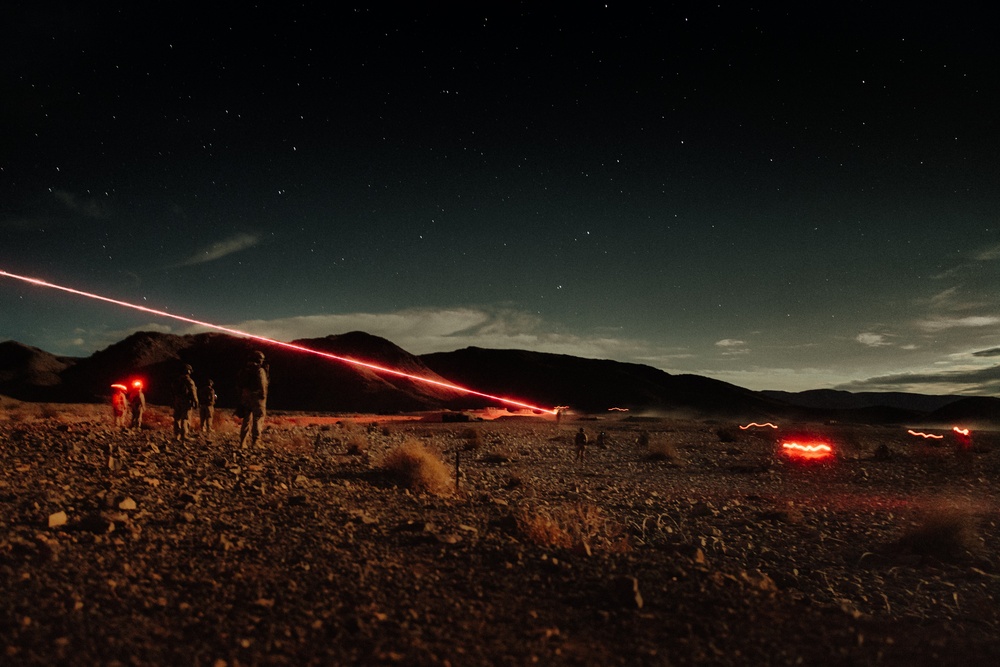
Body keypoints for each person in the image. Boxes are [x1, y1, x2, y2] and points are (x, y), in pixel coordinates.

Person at [237, 350, 269, 449]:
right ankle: (256, 442)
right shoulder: (259, 370)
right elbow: (262, 384)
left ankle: (243, 442)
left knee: (246, 420)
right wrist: (263, 395)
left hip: (245, 397)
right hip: (256, 398)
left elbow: (239, 384)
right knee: (258, 419)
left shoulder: (244, 370)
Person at [172, 364, 199, 442]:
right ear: (188, 371)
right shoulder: (189, 380)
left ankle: (176, 435)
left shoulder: (176, 380)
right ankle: (184, 435)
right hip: (185, 401)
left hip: (177, 400)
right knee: (185, 418)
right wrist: (196, 401)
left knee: (177, 418)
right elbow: (193, 391)